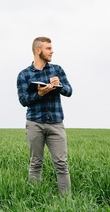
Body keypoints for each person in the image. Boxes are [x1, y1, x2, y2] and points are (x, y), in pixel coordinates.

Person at [16, 37, 72, 196]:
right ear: (37, 50)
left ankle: (66, 202)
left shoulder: (57, 70)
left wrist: (59, 85)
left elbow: (69, 91)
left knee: (62, 164)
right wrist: (39, 93)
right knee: (35, 164)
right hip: (35, 123)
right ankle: (35, 199)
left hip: (56, 123)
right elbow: (23, 100)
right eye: (48, 48)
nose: (52, 51)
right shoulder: (24, 75)